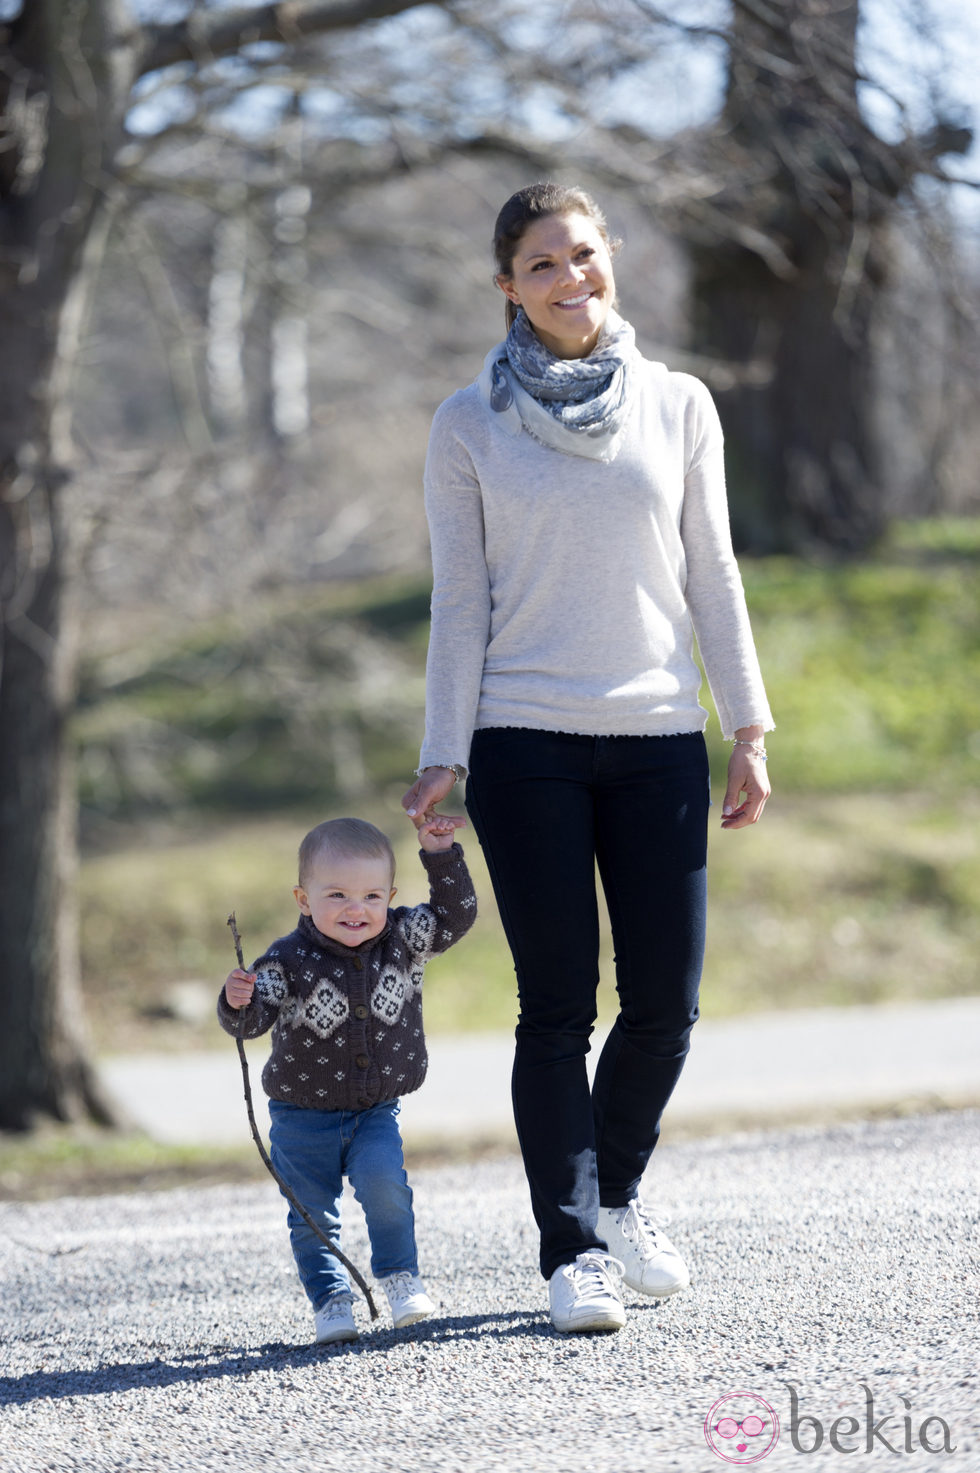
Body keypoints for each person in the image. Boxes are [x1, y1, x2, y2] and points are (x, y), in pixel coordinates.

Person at [402, 182, 773, 1336]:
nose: (570, 280)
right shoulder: (468, 424)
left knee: (664, 1003)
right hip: (524, 743)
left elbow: (710, 570)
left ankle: (610, 1197)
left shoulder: (677, 405)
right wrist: (441, 754)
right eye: (542, 265)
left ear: (610, 258)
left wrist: (745, 725)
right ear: (507, 287)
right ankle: (571, 1254)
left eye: (582, 254)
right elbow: (459, 604)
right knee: (556, 1007)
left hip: (658, 737)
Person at [218, 814, 475, 1344]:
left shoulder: (404, 937)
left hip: (374, 1111)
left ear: (389, 896)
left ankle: (401, 1277)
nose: (356, 909)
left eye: (371, 896)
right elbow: (251, 1021)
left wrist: (440, 854)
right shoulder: (286, 961)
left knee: (386, 1187)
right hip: (300, 1116)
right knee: (311, 1213)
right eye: (336, 895)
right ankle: (331, 1300)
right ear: (303, 898)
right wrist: (235, 1000)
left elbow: (456, 915)